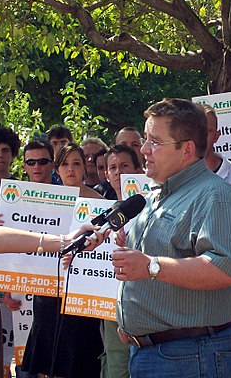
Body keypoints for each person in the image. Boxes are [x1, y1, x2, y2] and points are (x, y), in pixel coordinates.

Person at [112, 98, 231, 378]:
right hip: (156, 353)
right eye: (145, 140)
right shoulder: (157, 194)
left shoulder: (215, 196)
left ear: (186, 149)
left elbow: (225, 269)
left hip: (192, 357)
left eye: (155, 142)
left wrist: (150, 266)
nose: (144, 150)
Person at [21, 143, 104, 378]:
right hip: (48, 293)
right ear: (57, 169)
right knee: (47, 362)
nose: (71, 169)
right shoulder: (45, 201)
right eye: (65, 164)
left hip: (83, 295)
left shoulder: (100, 202)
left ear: (84, 168)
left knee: (79, 358)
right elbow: (25, 239)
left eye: (76, 163)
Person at [100, 145, 143, 378]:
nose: (118, 172)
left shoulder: (153, 206)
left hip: (147, 305)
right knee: (116, 369)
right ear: (106, 174)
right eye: (113, 167)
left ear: (138, 169)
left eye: (124, 166)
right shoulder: (99, 214)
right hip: (110, 306)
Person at [200, 104, 231, 184]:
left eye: (208, 131)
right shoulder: (180, 178)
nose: (202, 136)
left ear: (216, 136)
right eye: (197, 130)